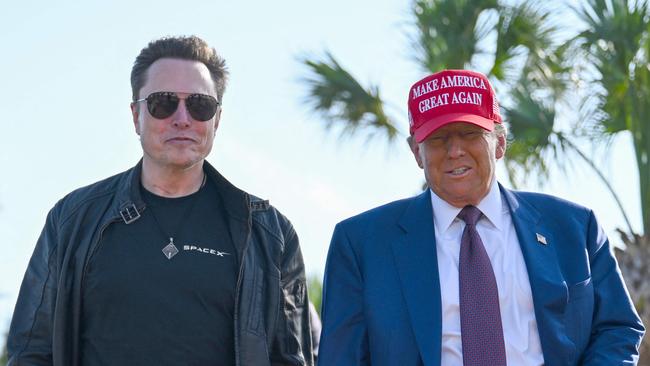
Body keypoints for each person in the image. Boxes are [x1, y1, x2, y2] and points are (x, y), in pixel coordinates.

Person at [8, 35, 313, 366]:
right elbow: (30, 352)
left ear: (218, 120)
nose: (182, 118)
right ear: (136, 115)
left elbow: (292, 358)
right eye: (163, 103)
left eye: (200, 105)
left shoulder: (269, 234)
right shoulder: (72, 219)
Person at [318, 69, 645, 365]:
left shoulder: (573, 226)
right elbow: (341, 358)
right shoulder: (362, 244)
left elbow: (617, 328)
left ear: (499, 142)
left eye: (470, 134)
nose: (455, 150)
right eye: (437, 139)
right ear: (417, 153)